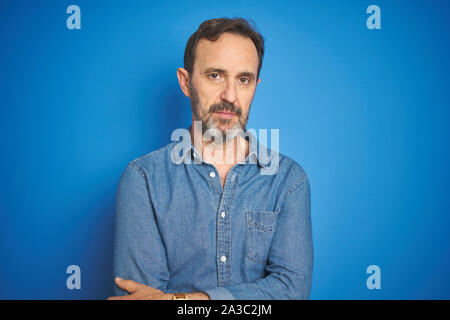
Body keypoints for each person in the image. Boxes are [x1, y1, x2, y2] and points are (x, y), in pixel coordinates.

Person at [108, 17, 313, 300]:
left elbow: (291, 293)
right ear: (186, 82)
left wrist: (185, 300)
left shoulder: (288, 180)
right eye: (215, 75)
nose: (230, 95)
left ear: (255, 85)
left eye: (243, 79)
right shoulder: (143, 179)